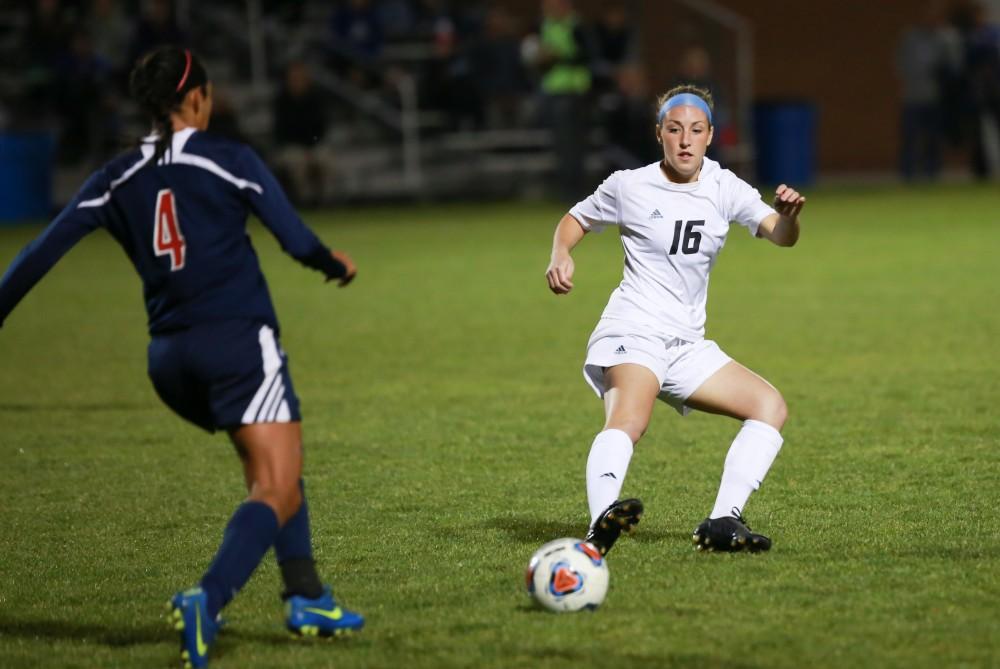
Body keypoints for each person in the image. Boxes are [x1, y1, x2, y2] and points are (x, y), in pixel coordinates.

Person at [0, 47, 363, 667]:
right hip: (238, 345)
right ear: (196, 97)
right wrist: (334, 264)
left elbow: (38, 253)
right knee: (275, 483)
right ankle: (209, 597)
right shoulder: (230, 159)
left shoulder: (114, 176)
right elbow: (296, 240)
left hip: (168, 362)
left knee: (277, 461)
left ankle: (307, 596)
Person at [544, 84, 806, 556]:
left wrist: (789, 216)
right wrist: (561, 253)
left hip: (686, 344)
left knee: (770, 407)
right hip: (633, 329)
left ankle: (724, 521)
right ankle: (599, 524)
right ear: (659, 134)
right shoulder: (629, 185)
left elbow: (782, 236)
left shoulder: (724, 186)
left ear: (710, 136)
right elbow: (575, 219)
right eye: (675, 129)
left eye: (696, 130)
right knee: (631, 417)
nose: (685, 140)